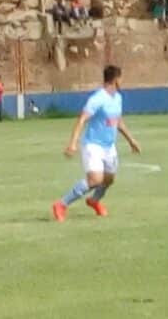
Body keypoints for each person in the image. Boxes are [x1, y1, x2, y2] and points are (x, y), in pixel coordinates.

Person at [52, 65, 141, 222]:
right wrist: (73, 143)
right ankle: (61, 204)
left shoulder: (118, 98)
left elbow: (118, 121)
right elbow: (82, 119)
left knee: (109, 179)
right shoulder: (97, 99)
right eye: (121, 78)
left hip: (109, 146)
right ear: (115, 80)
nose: (123, 81)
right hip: (93, 145)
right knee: (95, 179)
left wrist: (131, 140)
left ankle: (94, 201)